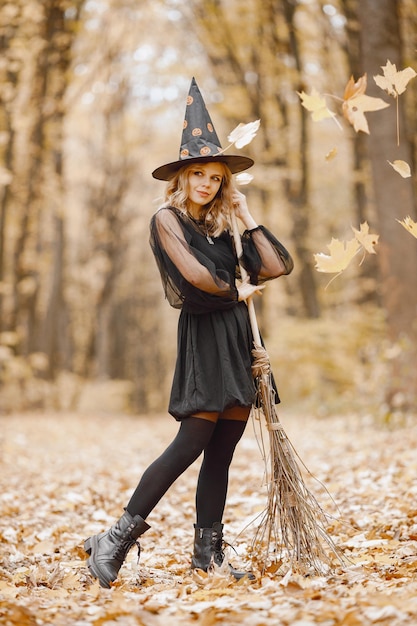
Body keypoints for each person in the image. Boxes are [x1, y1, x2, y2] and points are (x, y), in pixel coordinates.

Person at [84, 78, 294, 588]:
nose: (206, 183)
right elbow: (196, 279)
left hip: (240, 342)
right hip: (204, 338)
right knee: (191, 443)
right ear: (181, 177)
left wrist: (246, 217)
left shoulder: (226, 225)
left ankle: (208, 555)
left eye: (216, 177)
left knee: (221, 452)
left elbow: (275, 266)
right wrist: (234, 293)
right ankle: (114, 538)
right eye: (198, 173)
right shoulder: (167, 219)